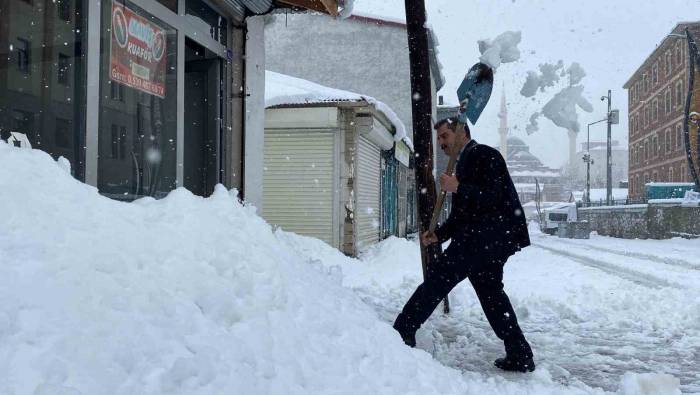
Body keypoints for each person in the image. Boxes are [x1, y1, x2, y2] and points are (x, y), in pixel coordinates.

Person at [393, 116, 535, 373]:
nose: (442, 143)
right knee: (492, 296)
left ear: (462, 134)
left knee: (437, 281)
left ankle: (401, 332)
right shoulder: (464, 162)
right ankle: (519, 353)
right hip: (484, 241)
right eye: (439, 139)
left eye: (445, 136)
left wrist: (459, 186)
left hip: (484, 239)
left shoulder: (484, 155)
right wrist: (439, 234)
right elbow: (461, 215)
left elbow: (495, 196)